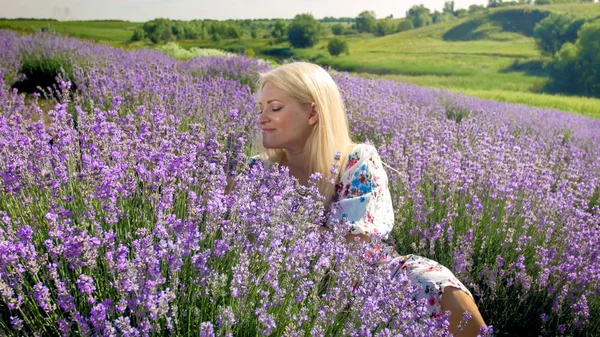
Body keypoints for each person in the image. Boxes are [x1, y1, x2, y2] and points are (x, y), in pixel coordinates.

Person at [251, 61, 486, 336]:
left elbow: (356, 250)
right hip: (281, 279)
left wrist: (276, 222)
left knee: (438, 288)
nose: (262, 118)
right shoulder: (257, 170)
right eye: (260, 109)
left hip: (368, 277)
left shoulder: (356, 160)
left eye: (275, 108)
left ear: (313, 112)